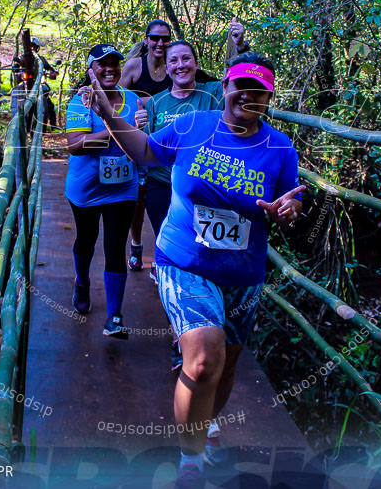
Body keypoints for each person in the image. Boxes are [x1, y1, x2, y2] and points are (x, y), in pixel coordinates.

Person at [87, 50, 304, 485]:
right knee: (204, 359)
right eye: (240, 85)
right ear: (224, 87)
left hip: (243, 273)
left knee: (224, 368)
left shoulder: (280, 147)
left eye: (258, 90)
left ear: (268, 99)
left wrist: (289, 209)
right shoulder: (192, 126)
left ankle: (204, 427)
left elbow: (292, 199)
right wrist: (111, 115)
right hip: (183, 259)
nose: (247, 95)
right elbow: (146, 152)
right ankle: (190, 460)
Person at [120, 19, 251, 273]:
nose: (181, 65)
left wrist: (240, 45)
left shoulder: (213, 91)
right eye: (174, 61)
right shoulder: (156, 102)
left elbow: (242, 77)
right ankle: (170, 283)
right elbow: (148, 147)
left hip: (203, 186)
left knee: (203, 249)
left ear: (196, 64)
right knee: (168, 243)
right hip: (163, 186)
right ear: (167, 69)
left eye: (186, 59)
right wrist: (138, 126)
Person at [64, 44, 141, 338]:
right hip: (86, 187)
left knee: (115, 247)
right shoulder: (80, 102)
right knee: (86, 240)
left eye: (114, 63)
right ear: (91, 71)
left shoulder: (135, 101)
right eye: (102, 64)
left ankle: (114, 316)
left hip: (123, 187)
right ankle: (81, 282)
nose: (109, 69)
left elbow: (143, 140)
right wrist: (115, 126)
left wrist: (141, 128)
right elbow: (75, 145)